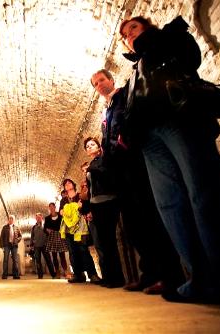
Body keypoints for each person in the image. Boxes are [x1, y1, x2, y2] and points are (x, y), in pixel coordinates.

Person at [119, 16, 220, 303]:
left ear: (147, 26)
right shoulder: (134, 73)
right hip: (149, 137)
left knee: (204, 193)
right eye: (124, 34)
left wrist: (148, 41)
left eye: (132, 27)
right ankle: (199, 279)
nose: (128, 35)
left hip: (178, 115)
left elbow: (190, 58)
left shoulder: (168, 36)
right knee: (170, 205)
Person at [90, 69, 184, 295]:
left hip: (135, 165)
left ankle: (171, 275)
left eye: (101, 79)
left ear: (111, 80)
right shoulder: (106, 111)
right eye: (95, 84)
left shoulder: (125, 96)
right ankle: (149, 273)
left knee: (150, 218)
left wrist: (123, 143)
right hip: (120, 174)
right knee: (134, 227)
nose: (99, 85)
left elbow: (131, 122)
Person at [84, 137, 125, 288]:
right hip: (96, 205)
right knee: (103, 242)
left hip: (108, 201)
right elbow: (90, 190)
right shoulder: (92, 165)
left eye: (92, 144)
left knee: (110, 241)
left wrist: (90, 170)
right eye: (87, 146)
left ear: (99, 146)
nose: (89, 147)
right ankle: (108, 276)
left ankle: (117, 278)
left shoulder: (104, 159)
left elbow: (107, 176)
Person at [59, 179, 101, 284]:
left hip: (80, 229)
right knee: (73, 252)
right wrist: (75, 206)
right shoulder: (63, 200)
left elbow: (83, 209)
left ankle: (92, 274)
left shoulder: (80, 196)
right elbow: (61, 212)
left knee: (83, 250)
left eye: (69, 183)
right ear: (64, 188)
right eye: (65, 184)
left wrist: (69, 209)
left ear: (73, 185)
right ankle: (78, 274)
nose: (67, 185)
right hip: (68, 230)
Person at [44, 203, 68, 278]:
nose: (51, 208)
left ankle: (65, 271)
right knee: (54, 256)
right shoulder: (47, 218)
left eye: (52, 207)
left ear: (55, 207)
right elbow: (44, 228)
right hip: (52, 237)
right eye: (50, 207)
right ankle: (57, 272)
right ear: (49, 208)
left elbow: (64, 225)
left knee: (62, 255)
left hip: (60, 236)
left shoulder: (61, 217)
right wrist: (47, 230)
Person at [31, 213, 56, 279]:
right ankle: (40, 275)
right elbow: (32, 237)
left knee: (48, 260)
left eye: (39, 217)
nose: (38, 219)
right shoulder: (34, 227)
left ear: (42, 218)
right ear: (36, 219)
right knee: (38, 261)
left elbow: (50, 234)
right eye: (37, 218)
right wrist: (32, 245)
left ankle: (53, 274)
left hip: (45, 245)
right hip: (36, 246)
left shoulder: (46, 225)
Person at [0, 215, 22, 279]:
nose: (10, 220)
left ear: (14, 220)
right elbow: (1, 237)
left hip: (14, 245)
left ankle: (16, 275)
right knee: (5, 260)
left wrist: (17, 240)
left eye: (12, 219)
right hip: (6, 245)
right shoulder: (4, 227)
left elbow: (20, 236)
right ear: (8, 220)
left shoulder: (16, 228)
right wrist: (2, 246)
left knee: (15, 260)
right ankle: (4, 275)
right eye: (9, 218)